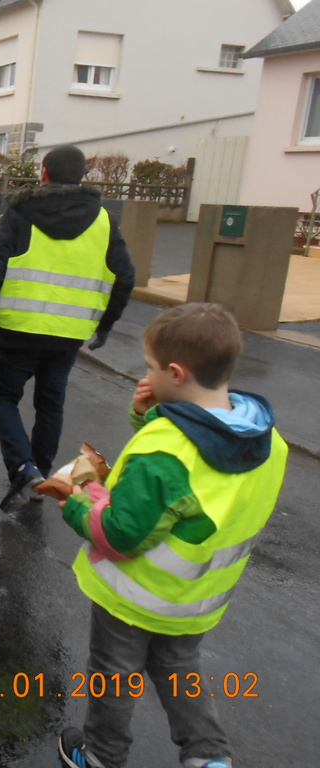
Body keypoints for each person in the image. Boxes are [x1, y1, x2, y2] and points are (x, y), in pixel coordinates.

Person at [56, 303, 288, 768]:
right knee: (180, 668)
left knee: (114, 674)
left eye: (151, 367)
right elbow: (199, 474)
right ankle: (208, 756)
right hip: (197, 598)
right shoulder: (265, 441)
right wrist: (152, 414)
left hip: (135, 595)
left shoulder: (165, 451)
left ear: (177, 372)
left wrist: (76, 502)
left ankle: (101, 754)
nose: (147, 374)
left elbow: (122, 533)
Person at [0, 144, 135, 512]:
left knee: (3, 398)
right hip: (69, 333)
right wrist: (105, 325)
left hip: (19, 330)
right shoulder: (103, 220)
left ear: (44, 173)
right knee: (51, 404)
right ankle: (41, 475)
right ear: (82, 176)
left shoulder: (22, 213)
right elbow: (125, 276)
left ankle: (24, 470)